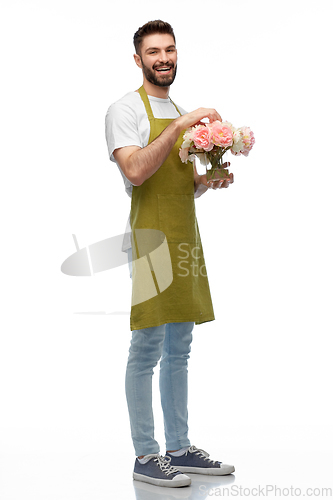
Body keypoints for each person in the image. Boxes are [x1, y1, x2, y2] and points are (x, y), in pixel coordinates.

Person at [105, 20, 235, 488]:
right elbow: (138, 172)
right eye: (154, 51)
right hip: (150, 237)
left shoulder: (178, 106)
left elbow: (179, 183)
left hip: (184, 235)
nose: (164, 58)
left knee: (180, 345)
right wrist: (181, 126)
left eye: (171, 50)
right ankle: (146, 455)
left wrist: (206, 180)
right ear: (138, 59)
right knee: (147, 346)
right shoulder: (124, 110)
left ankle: (179, 447)